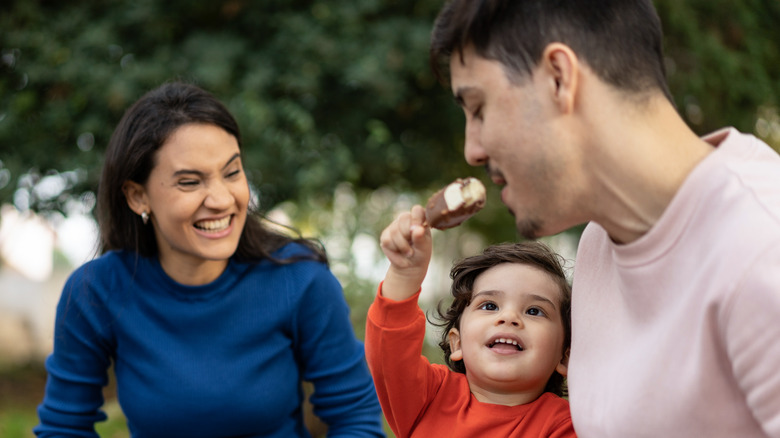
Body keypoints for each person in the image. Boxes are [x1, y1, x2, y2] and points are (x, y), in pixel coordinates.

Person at [428, 1, 780, 437]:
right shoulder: (599, 244)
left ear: (559, 77)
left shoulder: (763, 246)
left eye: (479, 109)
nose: (473, 150)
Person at [34, 81, 385, 438]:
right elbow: (64, 428)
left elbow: (356, 418)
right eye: (190, 182)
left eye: (232, 172)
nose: (221, 199)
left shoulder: (300, 278)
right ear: (138, 196)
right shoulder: (96, 290)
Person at [365, 205, 576, 437]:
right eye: (489, 306)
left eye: (535, 311)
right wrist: (405, 274)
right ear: (457, 343)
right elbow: (391, 349)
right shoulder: (430, 395)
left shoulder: (565, 425)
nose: (509, 317)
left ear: (565, 356)